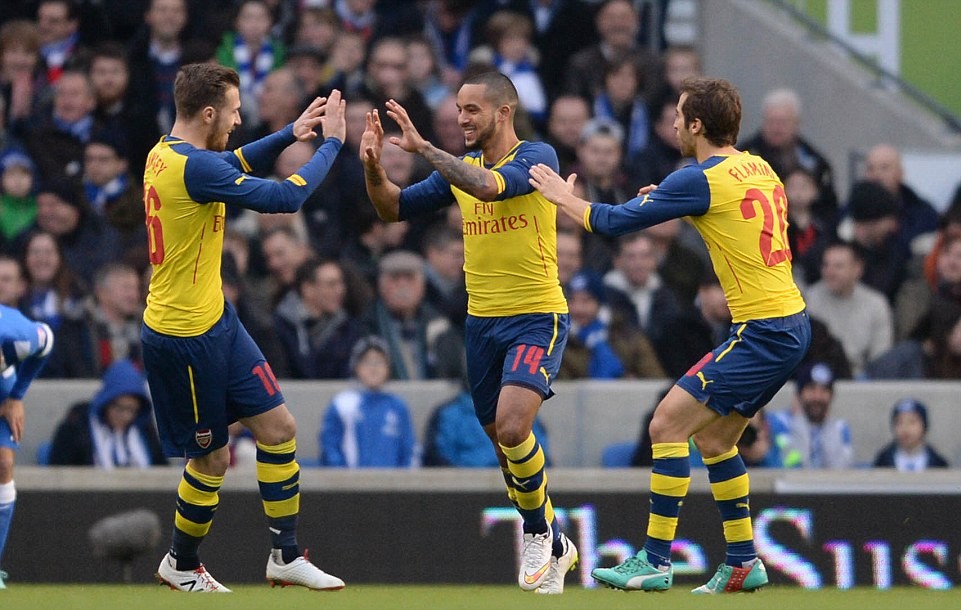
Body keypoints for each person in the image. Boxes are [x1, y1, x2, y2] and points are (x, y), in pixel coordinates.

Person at [529, 76, 811, 594]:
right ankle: (744, 560)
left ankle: (655, 560)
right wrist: (665, 197)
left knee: (665, 424)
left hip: (763, 331)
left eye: (680, 116)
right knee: (714, 437)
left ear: (697, 124)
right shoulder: (759, 166)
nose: (675, 123)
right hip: (789, 323)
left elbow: (609, 223)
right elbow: (725, 211)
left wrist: (560, 197)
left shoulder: (697, 178)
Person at [360, 71, 577, 594]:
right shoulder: (461, 168)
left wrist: (425, 148)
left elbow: (487, 187)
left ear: (504, 112)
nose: (461, 118)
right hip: (482, 325)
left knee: (511, 427)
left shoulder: (537, 156)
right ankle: (557, 543)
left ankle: (536, 531)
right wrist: (371, 169)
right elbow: (392, 208)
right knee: (504, 450)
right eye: (458, 109)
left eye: (472, 109)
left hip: (536, 316)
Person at [140, 62, 346, 592]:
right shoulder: (197, 169)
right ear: (208, 112)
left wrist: (289, 133)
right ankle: (181, 564)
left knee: (279, 429)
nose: (237, 120)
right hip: (182, 336)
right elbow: (286, 198)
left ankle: (285, 555)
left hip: (216, 320)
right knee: (211, 459)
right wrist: (331, 146)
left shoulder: (168, 153)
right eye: (232, 111)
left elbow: (228, 162)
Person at [0, 304, 55, 589]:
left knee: (4, 464)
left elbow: (47, 339)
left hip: (3, 386)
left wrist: (17, 396)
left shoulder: (18, 335)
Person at [319, 336, 417, 468]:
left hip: (393, 485)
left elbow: (409, 450)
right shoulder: (342, 404)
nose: (374, 369)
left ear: (388, 368)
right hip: (350, 485)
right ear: (356, 367)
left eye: (379, 362)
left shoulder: (398, 407)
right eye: (367, 362)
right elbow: (330, 448)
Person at [48, 358, 166, 467]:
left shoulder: (144, 432)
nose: (125, 416)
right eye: (119, 408)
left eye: (132, 410)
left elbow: (161, 470)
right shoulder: (75, 428)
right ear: (106, 402)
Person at [768, 362, 853, 469]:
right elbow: (794, 467)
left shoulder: (840, 427)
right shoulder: (778, 422)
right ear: (799, 394)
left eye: (824, 390)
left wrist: (829, 427)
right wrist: (799, 420)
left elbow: (840, 470)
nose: (817, 397)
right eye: (811, 389)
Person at [872, 398, 949, 471]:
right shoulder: (882, 462)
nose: (905, 428)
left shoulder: (939, 464)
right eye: (899, 422)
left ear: (924, 426)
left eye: (912, 422)